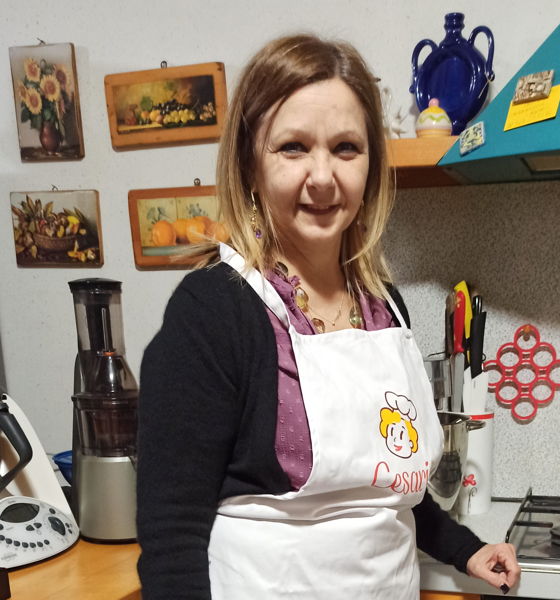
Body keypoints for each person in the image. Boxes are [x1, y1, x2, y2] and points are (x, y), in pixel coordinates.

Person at [136, 34, 520, 600]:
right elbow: (171, 536)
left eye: (345, 148)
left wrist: (466, 548)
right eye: (292, 147)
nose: (322, 176)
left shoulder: (383, 302)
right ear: (250, 162)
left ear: (370, 165)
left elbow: (387, 490)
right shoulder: (213, 310)